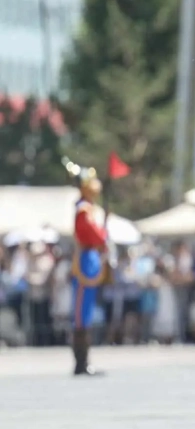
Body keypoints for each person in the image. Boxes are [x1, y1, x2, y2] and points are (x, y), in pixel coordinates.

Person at [65, 161, 110, 376]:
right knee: (81, 314)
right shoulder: (83, 210)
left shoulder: (89, 208)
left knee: (87, 313)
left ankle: (84, 361)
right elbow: (94, 235)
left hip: (91, 258)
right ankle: (80, 363)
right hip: (85, 259)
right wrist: (103, 233)